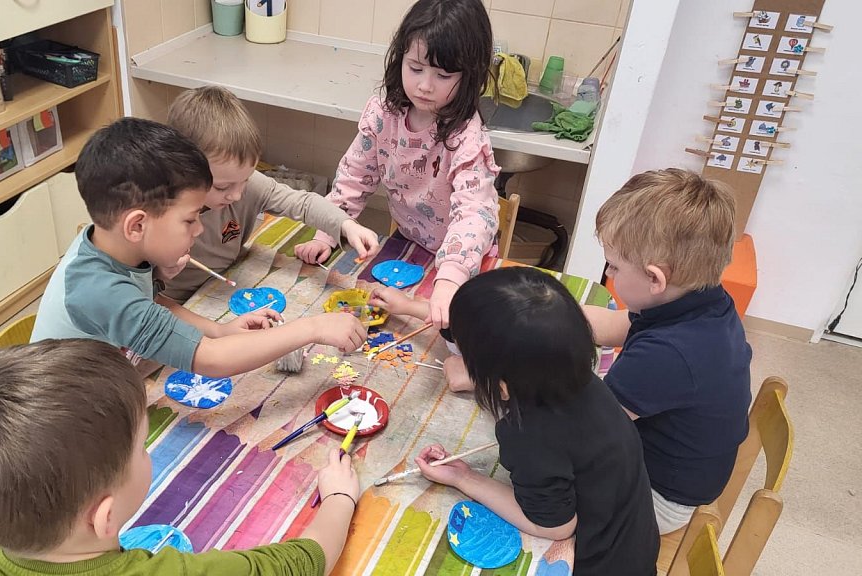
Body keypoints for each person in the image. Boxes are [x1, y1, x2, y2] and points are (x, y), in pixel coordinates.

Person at [0, 339, 360, 576]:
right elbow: (301, 563)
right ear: (104, 518)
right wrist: (340, 498)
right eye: (141, 447)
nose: (148, 449)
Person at [31, 118, 366, 377]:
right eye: (190, 219)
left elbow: (148, 302)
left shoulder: (115, 247)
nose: (200, 228)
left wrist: (219, 330)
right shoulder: (99, 290)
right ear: (136, 226)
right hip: (70, 421)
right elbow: (211, 360)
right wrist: (312, 328)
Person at [388, 268, 658, 576]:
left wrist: (465, 479)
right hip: (636, 544)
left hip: (599, 564)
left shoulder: (528, 434)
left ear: (502, 386)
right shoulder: (580, 379)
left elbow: (556, 527)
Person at [295, 0, 501, 387]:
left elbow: (474, 215)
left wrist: (450, 279)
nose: (424, 85)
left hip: (461, 262)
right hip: (410, 247)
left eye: (443, 75)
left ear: (470, 75)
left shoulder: (466, 136)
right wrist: (327, 230)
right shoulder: (384, 114)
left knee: (459, 346)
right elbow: (354, 176)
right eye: (415, 67)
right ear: (399, 58)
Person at [582, 168, 752, 534]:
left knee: (533, 480)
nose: (608, 272)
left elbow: (582, 429)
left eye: (614, 266)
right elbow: (611, 325)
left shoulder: (668, 354)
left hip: (658, 500)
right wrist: (545, 316)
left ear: (655, 278)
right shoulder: (698, 301)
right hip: (672, 467)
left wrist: (495, 379)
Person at [160, 86, 380, 303]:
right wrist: (158, 274)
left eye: (245, 180)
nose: (236, 195)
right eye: (222, 187)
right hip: (174, 303)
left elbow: (302, 203)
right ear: (184, 172)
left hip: (224, 286)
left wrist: (346, 225)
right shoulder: (157, 211)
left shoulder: (245, 186)